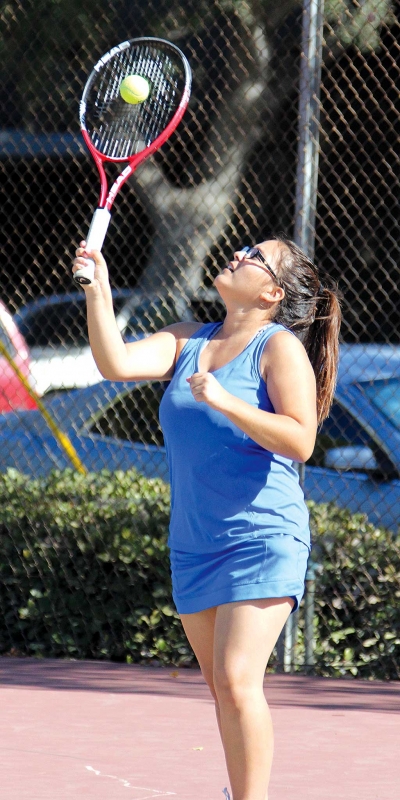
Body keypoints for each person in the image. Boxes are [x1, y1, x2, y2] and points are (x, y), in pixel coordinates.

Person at [73, 234, 341, 800]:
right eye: (244, 247)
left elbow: (301, 440)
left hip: (263, 537)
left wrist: (225, 400)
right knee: (223, 690)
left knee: (238, 680)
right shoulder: (184, 339)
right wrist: (97, 291)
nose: (240, 254)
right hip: (195, 543)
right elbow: (115, 362)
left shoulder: (278, 348)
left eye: (256, 257)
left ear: (271, 291)